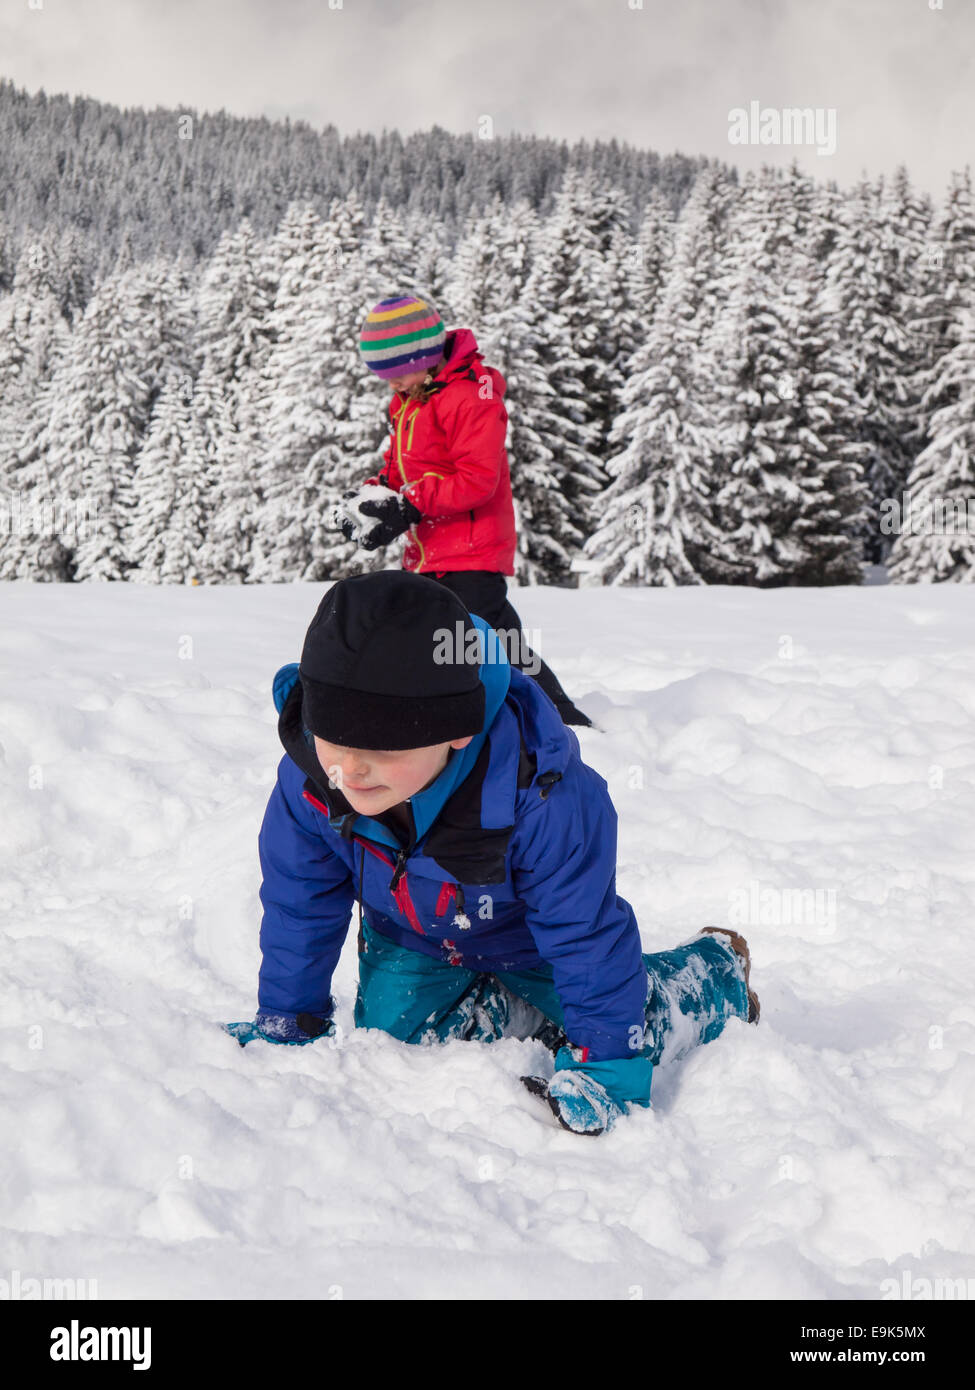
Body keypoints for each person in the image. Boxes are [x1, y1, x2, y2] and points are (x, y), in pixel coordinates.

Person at [224, 571, 760, 1137]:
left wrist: (608, 1069)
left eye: (380, 748)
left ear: (456, 731)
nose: (350, 768)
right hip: (413, 938)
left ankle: (711, 972)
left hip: (534, 945)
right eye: (333, 737)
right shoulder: (311, 777)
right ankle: (520, 1011)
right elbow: (300, 903)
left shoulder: (541, 792)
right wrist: (291, 1017)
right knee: (397, 1042)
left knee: (630, 1028)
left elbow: (582, 934)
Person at [333, 293, 593, 728]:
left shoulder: (470, 397)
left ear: (425, 356)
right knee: (441, 644)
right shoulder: (410, 402)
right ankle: (459, 722)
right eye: (383, 376)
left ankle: (562, 722)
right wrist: (375, 498)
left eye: (396, 374)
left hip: (472, 552)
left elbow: (478, 478)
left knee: (492, 643)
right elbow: (401, 470)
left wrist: (411, 505)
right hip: (431, 553)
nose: (390, 385)